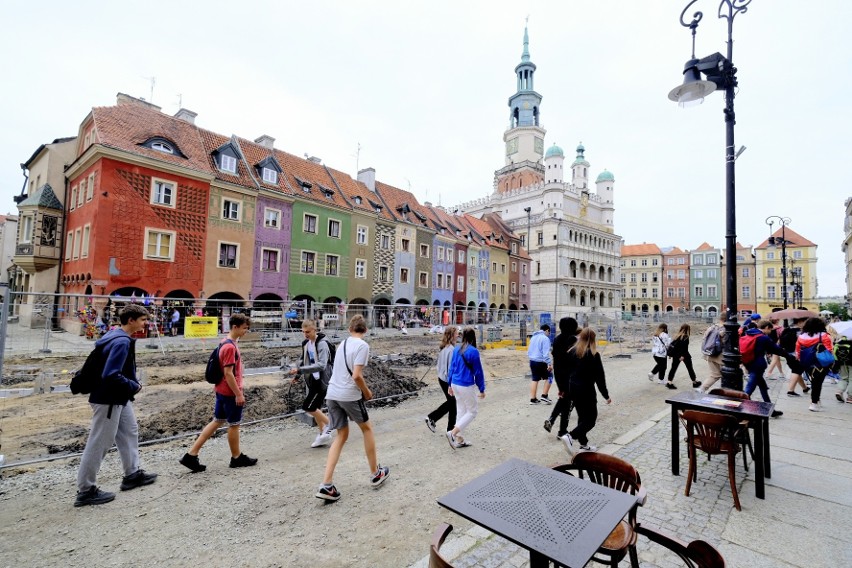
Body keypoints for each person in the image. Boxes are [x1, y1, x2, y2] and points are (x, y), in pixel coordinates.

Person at [75, 304, 157, 507]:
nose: (145, 323)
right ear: (131, 321)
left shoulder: (115, 335)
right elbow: (111, 374)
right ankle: (85, 490)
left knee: (129, 431)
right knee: (100, 441)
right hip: (109, 398)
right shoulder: (121, 342)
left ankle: (132, 474)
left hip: (119, 397)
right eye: (143, 320)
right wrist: (134, 385)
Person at [315, 315, 389, 502]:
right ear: (365, 330)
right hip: (349, 394)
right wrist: (367, 391)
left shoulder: (343, 344)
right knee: (367, 429)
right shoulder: (363, 346)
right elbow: (356, 375)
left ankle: (327, 484)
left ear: (349, 329)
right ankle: (375, 473)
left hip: (332, 393)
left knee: (341, 435)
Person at [180, 313, 257, 473]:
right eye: (244, 328)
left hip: (221, 390)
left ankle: (191, 454)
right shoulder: (230, 346)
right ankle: (236, 457)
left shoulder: (224, 342)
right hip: (230, 392)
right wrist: (238, 394)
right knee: (234, 424)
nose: (245, 331)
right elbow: (228, 373)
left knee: (217, 421)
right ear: (235, 327)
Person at [560, 327, 611, 455]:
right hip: (586, 389)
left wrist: (564, 389)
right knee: (591, 419)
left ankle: (584, 445)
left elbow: (564, 372)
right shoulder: (594, 355)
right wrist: (606, 395)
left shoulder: (571, 352)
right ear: (593, 340)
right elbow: (600, 378)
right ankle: (571, 436)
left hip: (573, 388)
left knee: (582, 417)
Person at [288, 319, 333, 448]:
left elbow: (322, 365)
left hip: (323, 380)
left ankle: (330, 425)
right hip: (313, 380)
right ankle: (322, 434)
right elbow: (302, 361)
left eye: (308, 332)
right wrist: (297, 375)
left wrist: (300, 370)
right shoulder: (306, 344)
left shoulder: (322, 344)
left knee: (308, 406)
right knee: (315, 407)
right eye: (303, 332)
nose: (306, 334)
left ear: (315, 330)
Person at [446, 327, 486, 449]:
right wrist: (482, 389)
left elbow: (452, 368)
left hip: (455, 383)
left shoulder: (457, 348)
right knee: (472, 411)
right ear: (473, 337)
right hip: (465, 384)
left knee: (462, 410)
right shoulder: (473, 351)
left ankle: (459, 440)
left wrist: (449, 384)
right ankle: (452, 433)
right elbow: (478, 372)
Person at [741, 320, 786, 417]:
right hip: (758, 365)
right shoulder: (763, 338)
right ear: (766, 328)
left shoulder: (748, 334)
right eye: (770, 329)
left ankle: (771, 410)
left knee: (762, 387)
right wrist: (788, 356)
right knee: (749, 389)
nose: (770, 331)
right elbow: (776, 349)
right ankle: (739, 408)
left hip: (749, 363)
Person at [544, 317, 579, 438]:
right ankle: (561, 430)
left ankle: (553, 421)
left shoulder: (557, 338)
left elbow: (554, 354)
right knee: (567, 401)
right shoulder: (573, 339)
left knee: (565, 398)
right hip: (570, 374)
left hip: (559, 373)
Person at [425, 326, 459, 435]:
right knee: (453, 404)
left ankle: (435, 420)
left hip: (442, 379)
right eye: (457, 333)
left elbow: (439, 366)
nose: (458, 335)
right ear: (452, 335)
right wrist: (452, 384)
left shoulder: (444, 348)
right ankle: (448, 429)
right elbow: (450, 369)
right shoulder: (452, 350)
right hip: (447, 381)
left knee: (452, 403)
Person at [796, 317, 834, 412]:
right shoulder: (824, 336)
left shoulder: (801, 336)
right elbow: (829, 350)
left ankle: (816, 400)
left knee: (814, 381)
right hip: (820, 363)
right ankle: (814, 402)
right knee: (818, 382)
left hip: (807, 362)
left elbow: (798, 351)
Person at [781, 318, 810, 397]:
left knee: (797, 371)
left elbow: (781, 342)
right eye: (804, 322)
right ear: (800, 322)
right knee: (796, 371)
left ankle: (804, 388)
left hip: (787, 354)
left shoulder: (786, 330)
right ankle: (791, 391)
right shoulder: (800, 332)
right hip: (798, 354)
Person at [665, 324, 699, 390]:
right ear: (688, 329)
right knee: (690, 368)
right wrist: (682, 356)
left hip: (676, 355)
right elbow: (684, 348)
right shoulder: (686, 337)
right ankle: (694, 382)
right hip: (684, 355)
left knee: (673, 368)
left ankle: (669, 382)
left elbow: (674, 346)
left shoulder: (677, 336)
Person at [698, 314, 726, 393]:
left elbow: (704, 339)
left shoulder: (712, 327)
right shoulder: (726, 329)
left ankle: (702, 389)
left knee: (715, 374)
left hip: (710, 354)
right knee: (727, 374)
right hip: (720, 356)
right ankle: (727, 392)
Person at [527, 324, 553, 404]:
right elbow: (545, 354)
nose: (549, 334)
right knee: (550, 377)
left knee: (535, 379)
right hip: (541, 362)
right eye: (549, 333)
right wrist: (549, 363)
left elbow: (529, 350)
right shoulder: (545, 339)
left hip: (532, 361)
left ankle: (533, 399)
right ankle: (544, 395)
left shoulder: (533, 337)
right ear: (547, 330)